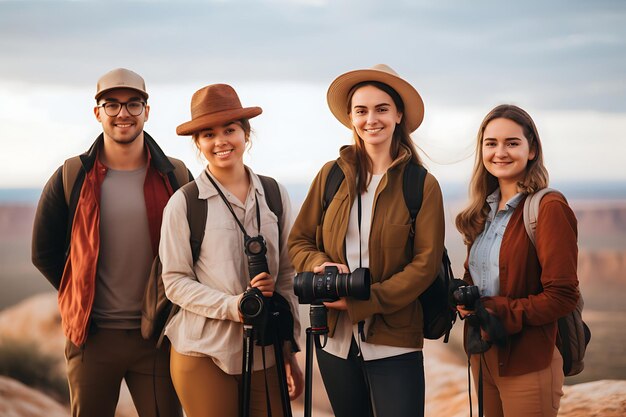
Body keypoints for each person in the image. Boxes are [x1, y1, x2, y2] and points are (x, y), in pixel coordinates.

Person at [288, 64, 445, 417]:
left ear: (398, 115)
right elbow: (298, 241)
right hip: (334, 340)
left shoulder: (421, 185)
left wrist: (364, 301)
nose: (371, 119)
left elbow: (425, 265)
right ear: (350, 117)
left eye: (382, 109)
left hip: (395, 342)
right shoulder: (330, 176)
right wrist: (319, 265)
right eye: (361, 110)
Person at [31, 68, 186, 417]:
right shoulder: (72, 175)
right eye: (111, 105)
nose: (123, 114)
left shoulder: (174, 174)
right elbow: (43, 252)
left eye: (133, 104)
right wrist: (80, 291)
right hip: (92, 338)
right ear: (97, 112)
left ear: (147, 110)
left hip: (157, 337)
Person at [159, 83, 303, 417]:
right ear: (198, 143)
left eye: (230, 130)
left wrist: (288, 350)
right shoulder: (185, 203)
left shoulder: (274, 194)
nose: (220, 141)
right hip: (204, 351)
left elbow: (286, 278)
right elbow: (175, 281)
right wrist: (233, 306)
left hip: (266, 350)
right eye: (208, 134)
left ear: (246, 134)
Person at [454, 104, 579, 417]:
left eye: (512, 143)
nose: (500, 152)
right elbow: (482, 280)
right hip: (483, 357)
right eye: (491, 143)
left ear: (532, 150)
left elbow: (563, 296)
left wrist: (497, 309)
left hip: (528, 362)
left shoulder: (548, 207)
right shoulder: (483, 212)